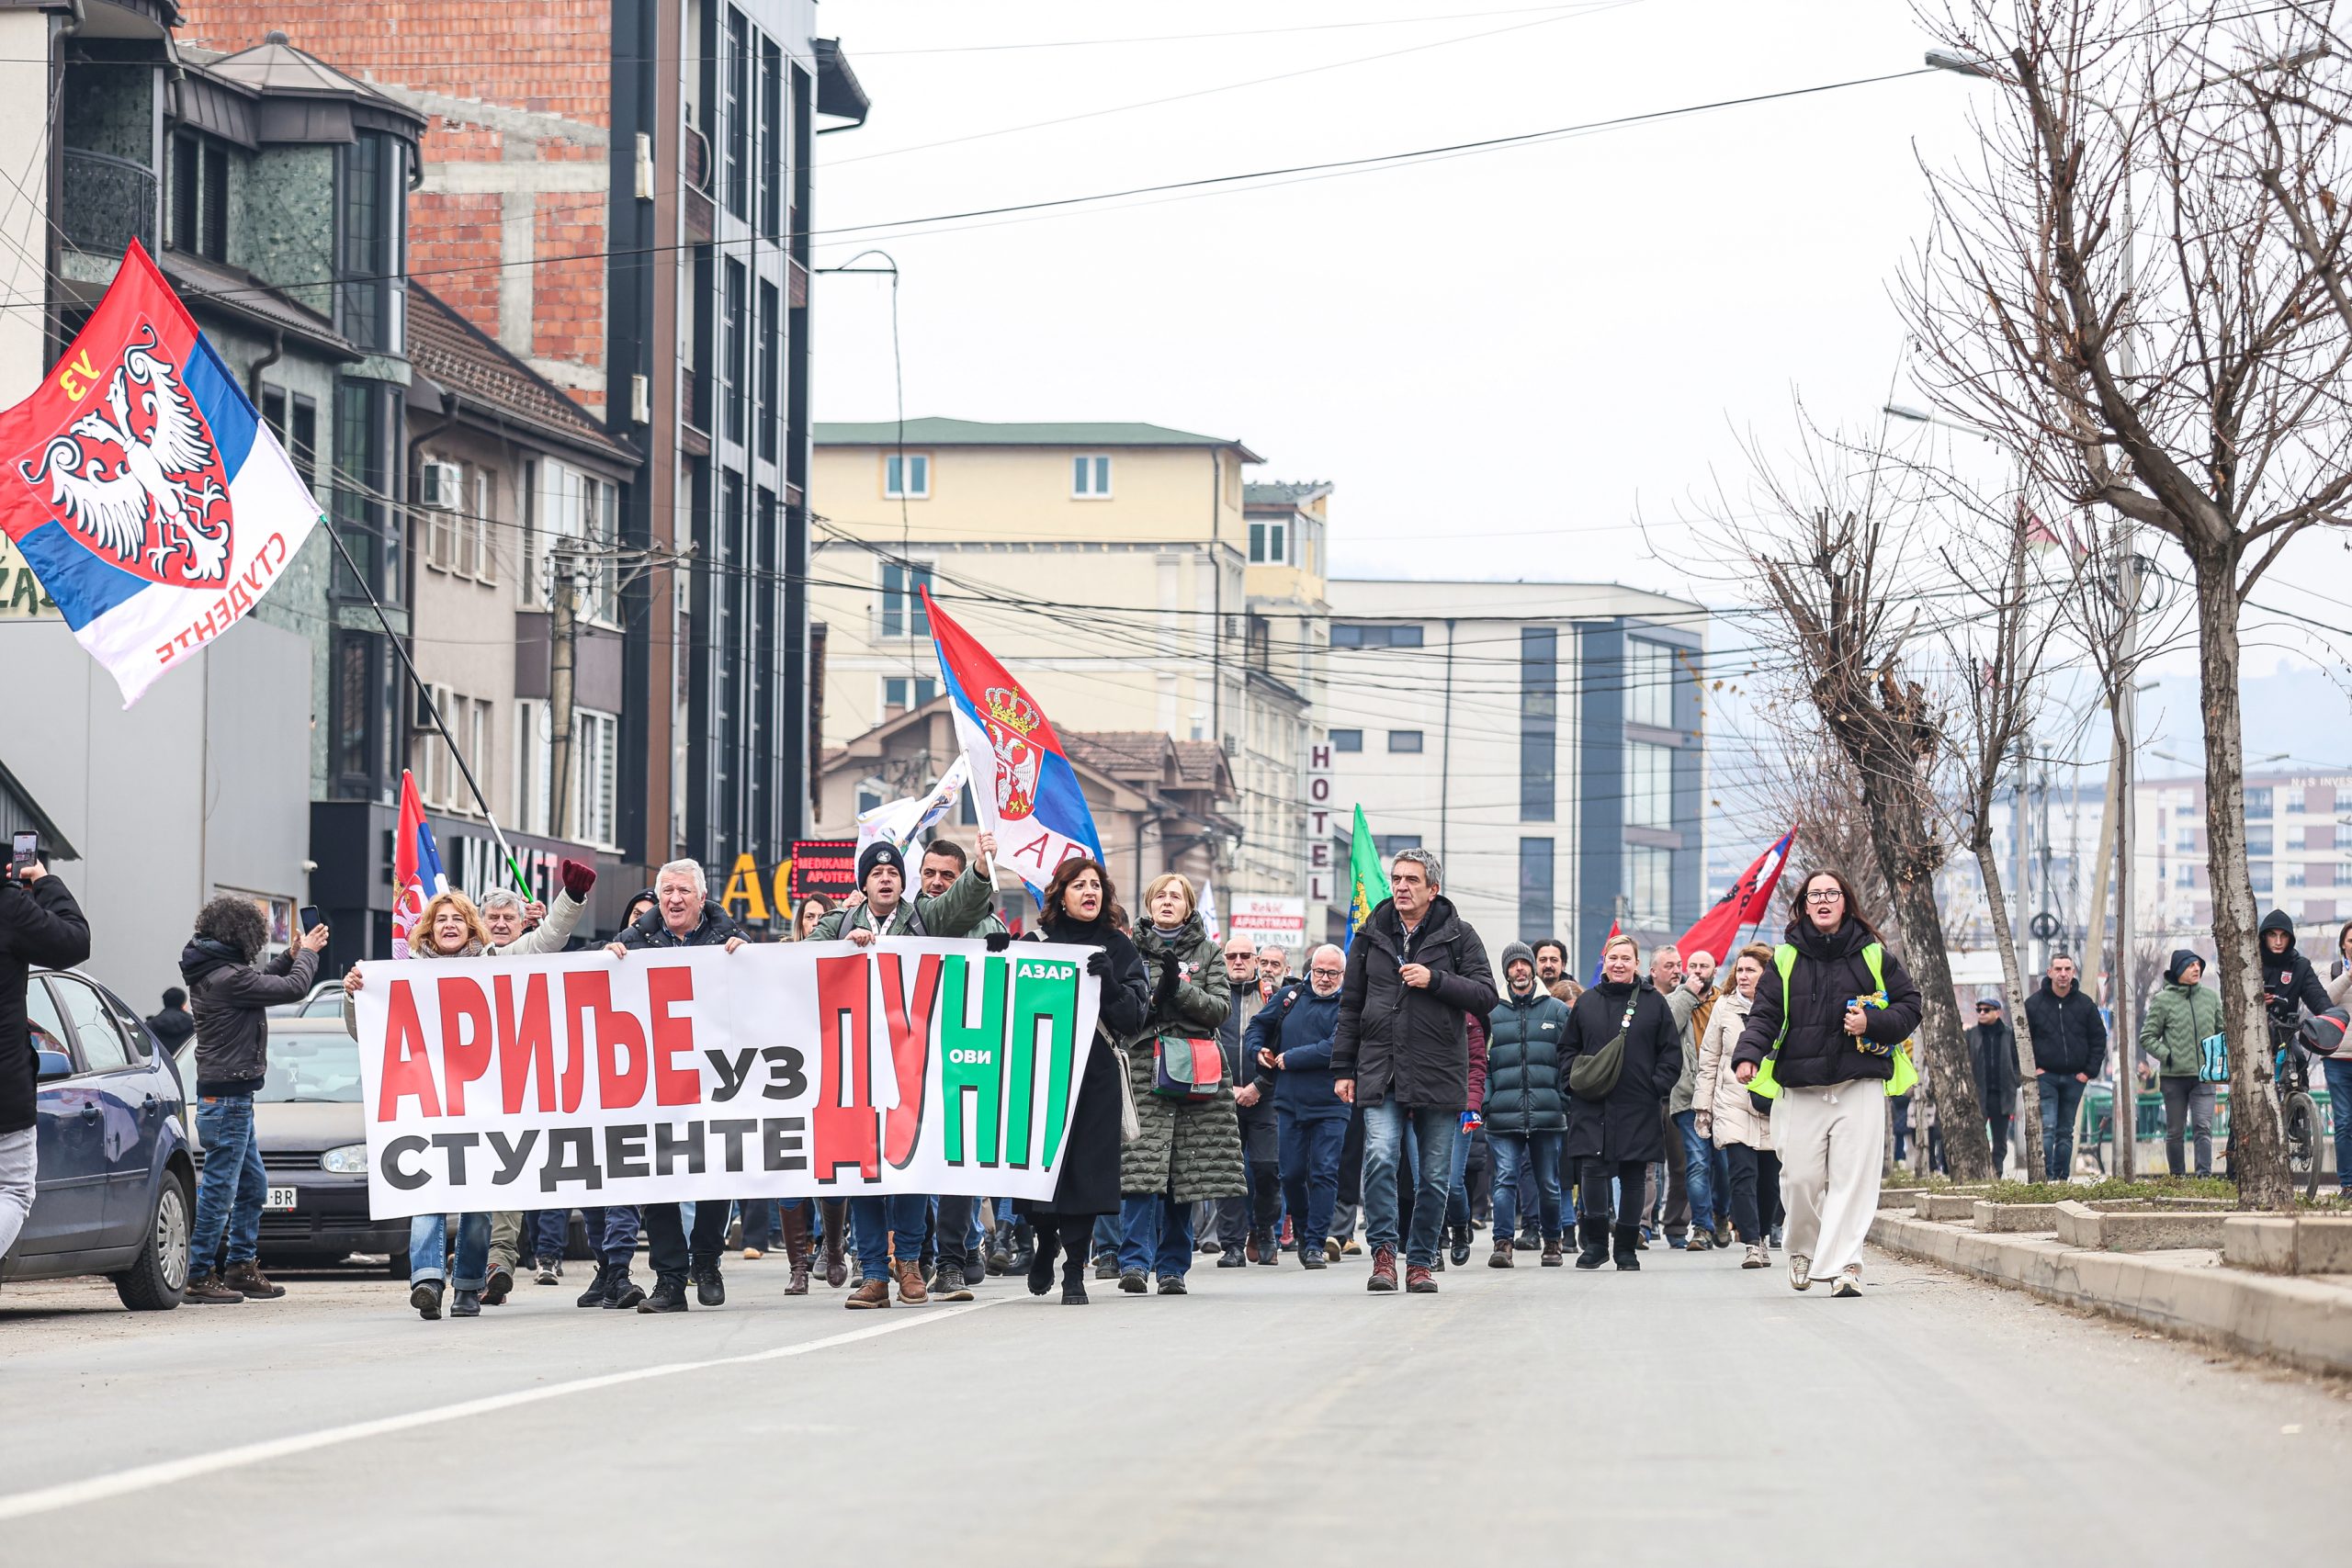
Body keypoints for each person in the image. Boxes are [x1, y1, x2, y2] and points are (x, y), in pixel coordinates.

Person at [814, 835, 1003, 1309]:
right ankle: (875, 1273)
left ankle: (912, 1267)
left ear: (903, 885)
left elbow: (963, 899)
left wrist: (980, 868)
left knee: (911, 1169)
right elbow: (794, 960)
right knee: (865, 1173)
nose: (885, 878)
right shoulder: (839, 925)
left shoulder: (924, 919)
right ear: (863, 883)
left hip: (912, 1065)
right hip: (856, 1065)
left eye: (893, 873)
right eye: (876, 873)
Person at [1731, 868, 1923, 1298]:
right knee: (1799, 1178)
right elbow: (1765, 1014)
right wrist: (1748, 1054)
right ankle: (1803, 1247)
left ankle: (1846, 1267)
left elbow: (1911, 1005)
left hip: (1860, 1083)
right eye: (1814, 894)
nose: (1822, 901)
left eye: (1830, 894)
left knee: (1852, 1180)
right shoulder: (1785, 958)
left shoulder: (1873, 954)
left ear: (1845, 901)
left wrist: (1871, 1021)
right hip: (1801, 1086)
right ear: (1803, 906)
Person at [1331, 849, 1498, 1293]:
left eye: (1412, 880)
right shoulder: (1369, 936)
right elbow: (1351, 1007)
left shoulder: (1459, 936)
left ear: (1433, 889)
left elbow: (1486, 995)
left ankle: (1420, 1261)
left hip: (1440, 1070)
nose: (1401, 887)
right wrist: (1344, 1067)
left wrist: (1436, 980)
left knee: (1435, 1176)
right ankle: (1384, 1255)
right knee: (1381, 1157)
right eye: (1397, 879)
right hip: (1380, 1069)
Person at [343, 891, 501, 1318]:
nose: (449, 925)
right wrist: (355, 995)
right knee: (427, 1194)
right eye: (440, 919)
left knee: (478, 1206)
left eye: (458, 919)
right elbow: (368, 1035)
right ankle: (428, 1281)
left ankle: (469, 1285)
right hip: (426, 1106)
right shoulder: (402, 977)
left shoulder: (498, 971)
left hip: (482, 1107)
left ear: (472, 928)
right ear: (428, 929)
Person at [605, 859, 750, 1313]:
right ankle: (669, 1281)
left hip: (713, 1082)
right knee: (657, 1184)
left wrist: (744, 958)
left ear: (701, 898)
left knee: (716, 1176)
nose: (674, 899)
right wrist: (605, 961)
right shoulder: (632, 942)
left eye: (684, 891)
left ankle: (705, 1260)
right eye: (667, 890)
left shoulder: (730, 941)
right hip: (653, 1086)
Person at [1011, 859, 1149, 1303]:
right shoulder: (1036, 942)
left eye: (1096, 885)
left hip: (1095, 1074)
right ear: (1061, 893)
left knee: (1085, 1174)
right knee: (1041, 1171)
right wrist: (997, 959)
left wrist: (1109, 982)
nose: (1089, 891)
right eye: (1079, 885)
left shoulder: (1119, 947)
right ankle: (1045, 1241)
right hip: (1041, 1071)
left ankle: (1074, 1270)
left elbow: (1133, 1017)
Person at [180, 896, 323, 1304]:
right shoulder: (227, 978)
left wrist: (293, 954)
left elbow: (264, 981)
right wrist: (309, 955)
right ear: (243, 934)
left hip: (231, 1096)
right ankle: (199, 1274)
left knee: (252, 1184)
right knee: (221, 1190)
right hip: (227, 1101)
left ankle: (241, 1267)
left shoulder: (216, 969)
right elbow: (293, 988)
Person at [473, 863, 596, 1303]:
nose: (501, 925)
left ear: (520, 922)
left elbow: (551, 938)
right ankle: (464, 1267)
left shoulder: (523, 953)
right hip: (468, 1091)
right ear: (480, 923)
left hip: (519, 1086)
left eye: (510, 918)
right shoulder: (462, 962)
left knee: (508, 1177)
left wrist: (570, 899)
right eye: (493, 918)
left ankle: (498, 1264)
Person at [1115, 874, 1240, 1295]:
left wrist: (1180, 989)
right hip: (1141, 1070)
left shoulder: (1209, 953)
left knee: (1183, 1178)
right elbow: (1123, 1011)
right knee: (1139, 1172)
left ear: (1189, 907)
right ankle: (1133, 1263)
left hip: (1196, 1072)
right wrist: (1155, 997)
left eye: (1176, 897)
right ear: (1149, 903)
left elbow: (1220, 1009)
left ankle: (1172, 1268)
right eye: (1160, 896)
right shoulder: (1128, 949)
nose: (1167, 902)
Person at [902, 835, 1010, 1301]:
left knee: (959, 1163)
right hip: (910, 1056)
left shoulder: (987, 925)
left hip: (966, 1056)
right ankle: (929, 1251)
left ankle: (950, 1260)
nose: (937, 883)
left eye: (949, 874)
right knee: (913, 1162)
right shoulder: (903, 922)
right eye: (930, 873)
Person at [1564, 933, 1680, 1271]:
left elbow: (1670, 1053)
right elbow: (1567, 1049)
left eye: (1626, 959)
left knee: (1632, 1174)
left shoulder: (1654, 1002)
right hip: (1591, 1103)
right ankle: (1597, 1245)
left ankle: (1626, 1249)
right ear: (1605, 960)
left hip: (1638, 1103)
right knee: (1592, 1171)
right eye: (1613, 958)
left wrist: (1655, 1087)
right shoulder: (1586, 1002)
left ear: (1636, 964)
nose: (1619, 964)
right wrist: (1570, 1084)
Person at [0, 853, 89, 1267]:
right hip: (5, 1091)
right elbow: (74, 941)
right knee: (13, 1191)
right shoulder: (9, 908)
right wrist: (46, 883)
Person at [1247, 943, 1349, 1268]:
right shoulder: (1290, 997)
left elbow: (1335, 1047)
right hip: (1289, 1103)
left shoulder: (1348, 1005)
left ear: (1342, 975)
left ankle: (1316, 1242)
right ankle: (1304, 1231)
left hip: (1332, 1103)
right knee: (1290, 1174)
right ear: (1310, 970)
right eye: (1319, 971)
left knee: (1324, 1173)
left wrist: (1291, 1058)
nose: (1325, 978)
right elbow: (1257, 1026)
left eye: (1332, 973)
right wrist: (1257, 1051)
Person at [1481, 942, 1570, 1267]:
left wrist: (1563, 1098)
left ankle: (1553, 1242)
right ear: (1505, 971)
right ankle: (1502, 1243)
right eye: (1513, 964)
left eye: (1524, 963)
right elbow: (1480, 1062)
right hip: (1502, 1114)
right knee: (1505, 1178)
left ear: (1532, 968)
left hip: (1548, 1112)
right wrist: (1487, 1101)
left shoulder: (1558, 1011)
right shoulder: (1491, 1012)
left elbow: (1570, 1059)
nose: (1519, 969)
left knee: (1548, 1183)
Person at [1692, 943, 1778, 1268]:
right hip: (1732, 1101)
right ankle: (1751, 1244)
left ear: (1767, 974)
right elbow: (1710, 1058)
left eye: (1751, 970)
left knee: (1770, 1180)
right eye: (1739, 970)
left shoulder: (1783, 1007)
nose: (1743, 976)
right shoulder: (1724, 1007)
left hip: (1772, 1102)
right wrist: (1704, 1106)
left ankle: (1766, 1236)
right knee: (1742, 1174)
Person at [1213, 934, 1282, 1267]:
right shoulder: (1213, 998)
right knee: (1227, 1174)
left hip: (1264, 1096)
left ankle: (1265, 1230)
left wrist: (1257, 1085)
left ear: (1256, 961)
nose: (1238, 961)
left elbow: (1280, 1047)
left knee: (1266, 1168)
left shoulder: (1272, 998)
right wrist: (1229, 1089)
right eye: (1231, 956)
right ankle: (1233, 1245)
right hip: (1222, 1097)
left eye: (1245, 956)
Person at [2139, 951, 2222, 1178]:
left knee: (2203, 1128)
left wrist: (2219, 1062)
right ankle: (2178, 1178)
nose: (2196, 969)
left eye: (2198, 965)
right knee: (2175, 1131)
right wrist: (2168, 1055)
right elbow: (2147, 1036)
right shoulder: (2163, 1000)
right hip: (2173, 1079)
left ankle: (2204, 1178)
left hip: (2204, 1077)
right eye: (2190, 965)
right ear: (2178, 970)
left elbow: (2222, 1031)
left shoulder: (2211, 998)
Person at [2024, 953, 2106, 1181]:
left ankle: (2061, 1178)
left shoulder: (2085, 1004)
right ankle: (2047, 1178)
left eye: (2067, 968)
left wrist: (2088, 1072)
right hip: (2046, 1076)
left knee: (2065, 1131)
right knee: (2048, 1128)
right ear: (2049, 972)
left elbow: (2099, 1039)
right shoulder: (2033, 1004)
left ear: (2073, 972)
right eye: (2058, 968)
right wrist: (2033, 1071)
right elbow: (2020, 1040)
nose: (2063, 973)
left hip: (2074, 1078)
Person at [1667, 946, 1724, 1251]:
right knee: (1698, 1162)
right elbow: (1668, 1029)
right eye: (1693, 965)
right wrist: (1687, 994)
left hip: (1724, 1095)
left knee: (1724, 1164)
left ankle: (1723, 1215)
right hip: (1687, 1095)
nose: (1698, 970)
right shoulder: (1675, 1000)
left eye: (1704, 965)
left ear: (1716, 970)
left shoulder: (1724, 1002)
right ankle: (1701, 1228)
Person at [1968, 994, 2020, 1175]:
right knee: (1975, 1138)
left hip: (2002, 1095)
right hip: (1978, 1095)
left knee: (2000, 1141)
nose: (1982, 1013)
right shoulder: (1972, 1035)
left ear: (1997, 1013)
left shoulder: (2009, 1035)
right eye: (1979, 1010)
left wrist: (2016, 1080)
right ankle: (1979, 1173)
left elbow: (2017, 1060)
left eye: (1986, 1010)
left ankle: (1996, 1172)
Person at [2325, 920, 2352, 1198]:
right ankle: (2348, 1184)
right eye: (2351, 940)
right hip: (2337, 1057)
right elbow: (2324, 1000)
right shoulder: (2333, 970)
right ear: (2343, 944)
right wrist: (2348, 977)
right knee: (2344, 1122)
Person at [146, 987, 195, 1054]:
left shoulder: (150, 1025)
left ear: (164, 1001)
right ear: (183, 1002)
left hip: (162, 1063)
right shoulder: (195, 1025)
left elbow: (143, 1050)